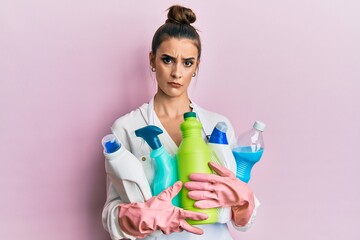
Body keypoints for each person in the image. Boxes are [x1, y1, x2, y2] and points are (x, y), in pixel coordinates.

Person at [102, 5, 260, 240]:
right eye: (167, 60)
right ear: (152, 60)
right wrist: (138, 216)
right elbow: (110, 214)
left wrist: (244, 200)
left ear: (197, 66)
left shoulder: (217, 125)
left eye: (187, 63)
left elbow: (241, 222)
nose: (176, 72)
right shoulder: (127, 127)